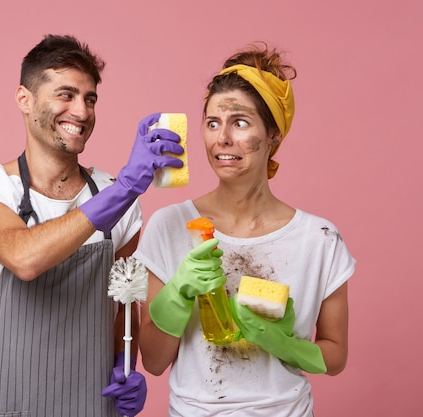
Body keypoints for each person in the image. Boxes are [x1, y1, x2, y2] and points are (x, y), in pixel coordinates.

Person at [0, 34, 184, 417]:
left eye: (90, 98)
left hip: (90, 403)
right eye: (66, 94)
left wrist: (126, 367)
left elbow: (124, 303)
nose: (81, 111)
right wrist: (126, 187)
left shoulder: (117, 198)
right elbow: (24, 256)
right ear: (24, 100)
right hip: (1, 401)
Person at [134, 42, 356, 416]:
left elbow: (336, 355)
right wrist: (179, 293)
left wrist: (283, 342)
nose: (222, 138)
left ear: (272, 137)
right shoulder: (169, 225)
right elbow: (154, 362)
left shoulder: (319, 239)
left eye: (240, 122)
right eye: (212, 123)